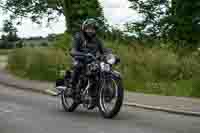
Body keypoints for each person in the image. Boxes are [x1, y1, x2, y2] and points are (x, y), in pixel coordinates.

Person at [70, 18, 104, 103]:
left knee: (99, 70)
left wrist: (111, 55)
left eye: (92, 29)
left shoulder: (97, 40)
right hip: (79, 59)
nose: (90, 31)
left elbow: (104, 50)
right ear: (84, 28)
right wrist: (84, 55)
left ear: (95, 30)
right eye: (88, 28)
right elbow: (73, 51)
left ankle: (94, 92)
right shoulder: (79, 37)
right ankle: (73, 88)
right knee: (78, 66)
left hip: (92, 61)